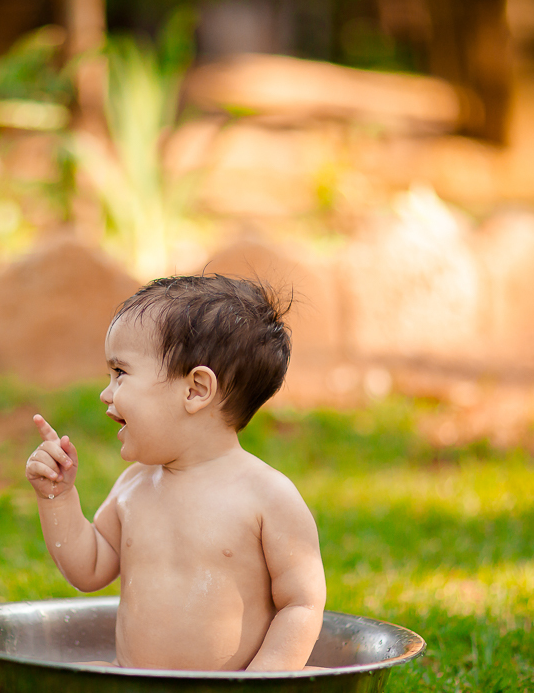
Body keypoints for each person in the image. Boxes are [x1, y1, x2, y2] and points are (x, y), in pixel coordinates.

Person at [24, 275, 325, 671]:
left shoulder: (267, 496)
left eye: (120, 373)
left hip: (231, 690)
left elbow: (301, 603)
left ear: (196, 389)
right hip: (136, 684)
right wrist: (58, 497)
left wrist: (260, 683)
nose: (105, 392)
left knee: (314, 678)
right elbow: (89, 567)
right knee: (88, 673)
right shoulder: (134, 485)